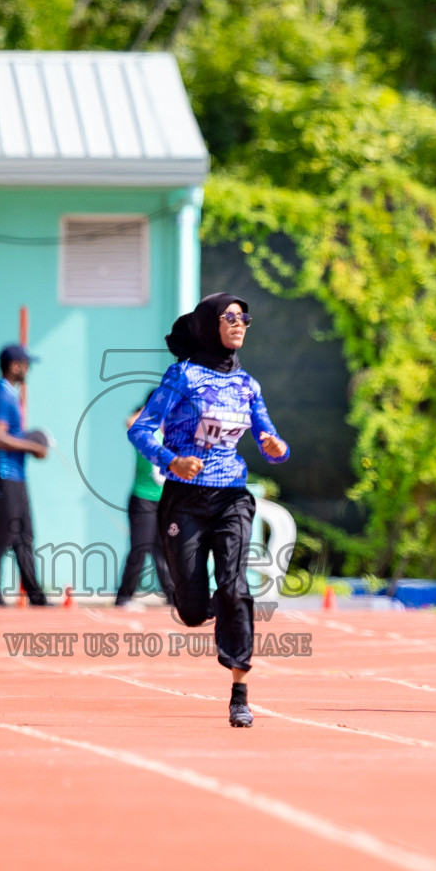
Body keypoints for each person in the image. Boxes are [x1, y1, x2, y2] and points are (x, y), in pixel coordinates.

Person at [129, 294, 290, 728]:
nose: (239, 324)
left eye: (245, 318)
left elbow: (271, 442)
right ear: (207, 325)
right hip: (184, 497)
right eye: (230, 317)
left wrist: (276, 448)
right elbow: (141, 431)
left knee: (236, 588)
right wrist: (171, 460)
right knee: (193, 610)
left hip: (232, 496)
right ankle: (212, 605)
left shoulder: (247, 385)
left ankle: (239, 692)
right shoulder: (181, 376)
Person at [0, 343, 49, 606]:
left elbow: (10, 434)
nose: (28, 369)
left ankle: (36, 594)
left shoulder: (11, 394)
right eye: (26, 364)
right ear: (15, 366)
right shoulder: (1, 394)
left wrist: (32, 438)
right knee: (2, 534)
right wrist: (33, 446)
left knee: (24, 536)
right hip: (2, 474)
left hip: (16, 476)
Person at [114, 397, 176, 610]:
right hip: (143, 499)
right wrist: (150, 408)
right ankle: (123, 597)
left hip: (164, 500)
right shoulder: (145, 432)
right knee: (140, 548)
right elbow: (129, 422)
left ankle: (173, 596)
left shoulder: (170, 433)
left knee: (163, 550)